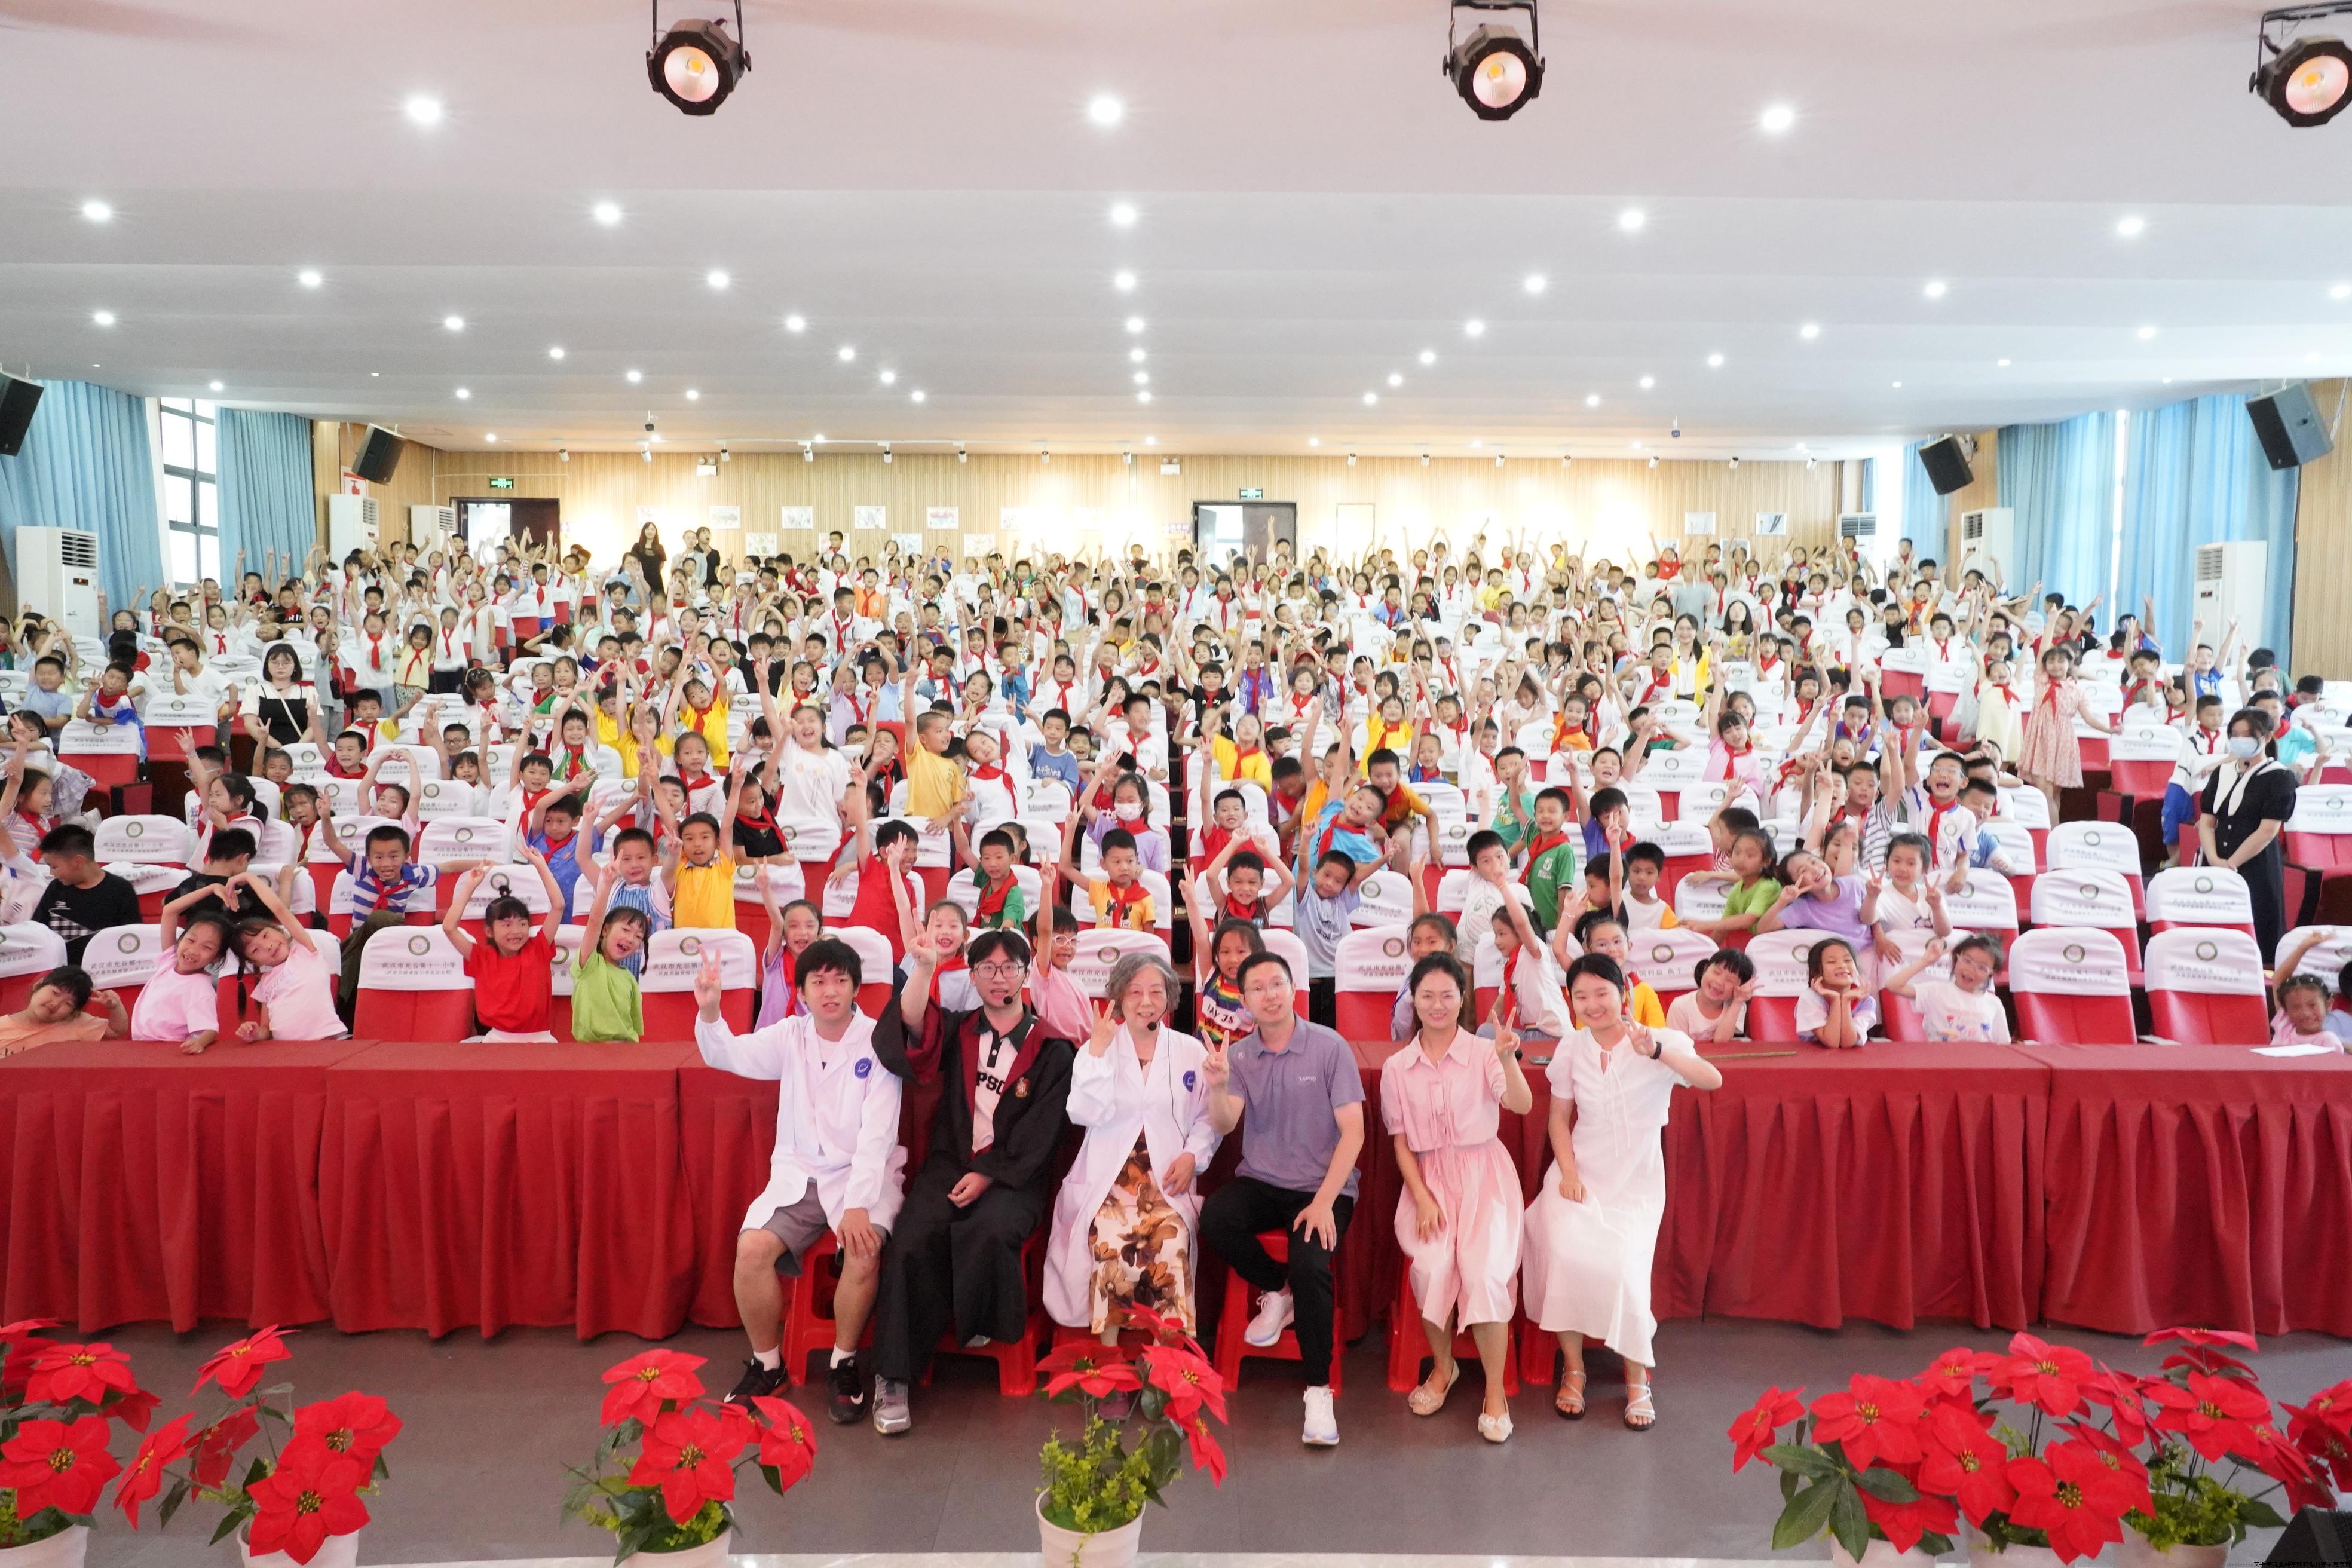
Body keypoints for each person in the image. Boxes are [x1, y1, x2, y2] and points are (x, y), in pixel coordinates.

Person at [868, 926, 1075, 1436]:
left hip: (1013, 1172)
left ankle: (975, 1321)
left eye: (1009, 968)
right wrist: (924, 968)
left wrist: (988, 1174)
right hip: (949, 1162)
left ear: (1026, 974)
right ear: (973, 976)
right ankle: (893, 1376)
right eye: (987, 968)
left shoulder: (1052, 1049)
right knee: (911, 1239)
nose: (999, 978)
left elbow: (1043, 1132)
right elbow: (910, 1026)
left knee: (990, 1229)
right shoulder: (960, 1030)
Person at [696, 935, 906, 1423]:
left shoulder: (878, 1041)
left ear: (856, 987)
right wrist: (710, 1011)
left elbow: (878, 1133)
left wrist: (859, 1204)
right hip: (800, 1175)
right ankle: (768, 1365)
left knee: (863, 1250)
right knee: (751, 1250)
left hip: (861, 1174)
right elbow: (728, 1054)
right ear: (803, 991)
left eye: (840, 980)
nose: (830, 990)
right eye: (818, 981)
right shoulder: (790, 1035)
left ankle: (843, 1363)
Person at [1520, 953, 1723, 1429]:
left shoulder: (1660, 1040)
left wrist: (1656, 1052)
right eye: (1581, 996)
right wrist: (1568, 1174)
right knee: (1562, 1252)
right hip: (1579, 1175)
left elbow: (1711, 1080)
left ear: (1624, 994)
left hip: (1636, 1182)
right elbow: (1558, 1120)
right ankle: (1574, 1369)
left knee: (1627, 1270)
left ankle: (1636, 1378)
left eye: (1602, 993)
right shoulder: (1571, 1048)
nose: (1592, 1005)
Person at [1198, 950, 1365, 1448]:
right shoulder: (1240, 1056)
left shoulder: (1330, 1047)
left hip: (1323, 1185)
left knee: (1310, 1263)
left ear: (1294, 990)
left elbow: (1354, 1133)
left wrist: (1324, 1201)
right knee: (1215, 1217)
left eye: (1277, 984)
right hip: (1264, 1180)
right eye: (1257, 988)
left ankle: (1318, 1390)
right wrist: (1219, 1087)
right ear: (1245, 1001)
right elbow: (1225, 1124)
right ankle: (1277, 1288)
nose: (1268, 995)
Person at [1384, 954, 1532, 1443]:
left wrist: (1507, 1058)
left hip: (1485, 1178)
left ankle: (1495, 1390)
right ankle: (1444, 1367)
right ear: (1413, 1000)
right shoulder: (1397, 1067)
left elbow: (1521, 1104)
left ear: (1462, 998)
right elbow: (1401, 1142)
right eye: (1427, 995)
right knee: (1431, 1269)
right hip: (1429, 1182)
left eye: (1447, 995)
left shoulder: (1485, 1052)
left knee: (1485, 1274)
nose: (1438, 1004)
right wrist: (1422, 1197)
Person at [1046, 952, 1220, 1368]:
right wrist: (1096, 1053)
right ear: (1119, 997)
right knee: (1109, 1238)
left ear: (1170, 998)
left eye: (1156, 992)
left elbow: (1207, 1118)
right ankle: (1110, 1359)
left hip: (1167, 1180)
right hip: (1111, 1179)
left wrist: (1193, 1156)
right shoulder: (1099, 1047)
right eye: (1135, 992)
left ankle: (1165, 1361)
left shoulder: (1190, 1050)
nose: (1146, 1002)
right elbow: (1084, 1114)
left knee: (1172, 1242)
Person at [2200, 706, 2298, 961]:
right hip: (2215, 860)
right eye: (2235, 735)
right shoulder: (2223, 772)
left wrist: (2231, 865)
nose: (2240, 740)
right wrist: (2214, 859)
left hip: (2256, 865)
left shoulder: (2280, 777)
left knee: (2258, 931)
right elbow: (2207, 822)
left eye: (2247, 735)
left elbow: (2267, 831)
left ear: (2267, 737)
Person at [442, 852, 567, 1041]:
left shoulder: (538, 948)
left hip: (540, 1040)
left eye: (522, 924)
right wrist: (470, 887)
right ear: (489, 931)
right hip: (497, 1039)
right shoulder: (481, 958)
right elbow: (449, 928)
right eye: (506, 925)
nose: (516, 931)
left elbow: (558, 905)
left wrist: (540, 866)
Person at [227, 873, 346, 1041]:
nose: (268, 946)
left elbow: (279, 909)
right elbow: (266, 1030)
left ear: (280, 930)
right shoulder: (265, 982)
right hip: (283, 1049)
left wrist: (249, 878)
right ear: (254, 962)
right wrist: (253, 1034)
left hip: (323, 1042)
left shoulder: (306, 950)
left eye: (266, 935)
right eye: (256, 950)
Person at [134, 884, 235, 1054]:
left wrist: (199, 1043)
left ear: (217, 957)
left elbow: (210, 1029)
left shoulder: (200, 987)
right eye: (191, 940)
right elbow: (170, 910)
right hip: (140, 1047)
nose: (193, 951)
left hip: (169, 1050)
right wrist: (211, 889)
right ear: (180, 939)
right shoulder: (169, 961)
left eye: (207, 947)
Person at [32, 826, 142, 965]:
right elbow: (38, 933)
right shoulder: (56, 889)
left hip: (103, 968)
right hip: (59, 972)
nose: (52, 873)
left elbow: (131, 941)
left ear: (77, 862)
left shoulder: (121, 890)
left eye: (54, 867)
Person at [1882, 934, 2010, 1042]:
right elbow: (1893, 986)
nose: (1971, 970)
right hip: (1940, 1060)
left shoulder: (1994, 1003)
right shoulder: (1936, 991)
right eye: (1967, 961)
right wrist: (1925, 961)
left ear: (1991, 973)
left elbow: (2003, 1045)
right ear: (1956, 959)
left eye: (1982, 968)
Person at [0, 965, 128, 1054]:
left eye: (68, 1004)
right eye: (55, 993)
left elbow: (116, 1030)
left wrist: (115, 1006)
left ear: (73, 1012)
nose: (55, 1004)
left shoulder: (77, 1022)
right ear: (38, 985)